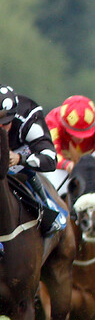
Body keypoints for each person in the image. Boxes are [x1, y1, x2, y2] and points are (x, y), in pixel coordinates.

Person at [0, 84, 62, 236]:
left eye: (5, 123)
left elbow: (50, 159)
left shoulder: (28, 114)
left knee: (27, 172)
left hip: (19, 160)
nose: (1, 128)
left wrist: (20, 159)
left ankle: (45, 207)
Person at [45, 95, 95, 194]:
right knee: (55, 189)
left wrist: (93, 166)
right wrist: (67, 165)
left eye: (86, 132)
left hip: (91, 161)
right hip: (62, 164)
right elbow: (51, 153)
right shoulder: (53, 122)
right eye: (74, 133)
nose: (80, 138)